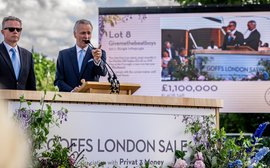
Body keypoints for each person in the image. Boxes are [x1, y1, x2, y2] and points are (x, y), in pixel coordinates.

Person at [54, 19, 107, 92]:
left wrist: (97, 60)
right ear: (75, 34)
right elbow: (58, 81)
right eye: (83, 33)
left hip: (91, 99)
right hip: (69, 100)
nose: (86, 36)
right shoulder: (63, 55)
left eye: (89, 33)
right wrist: (72, 91)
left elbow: (103, 73)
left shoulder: (99, 53)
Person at [0, 16, 36, 90]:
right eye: (11, 29)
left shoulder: (28, 55)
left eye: (18, 29)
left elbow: (31, 85)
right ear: (3, 32)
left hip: (22, 100)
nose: (15, 31)